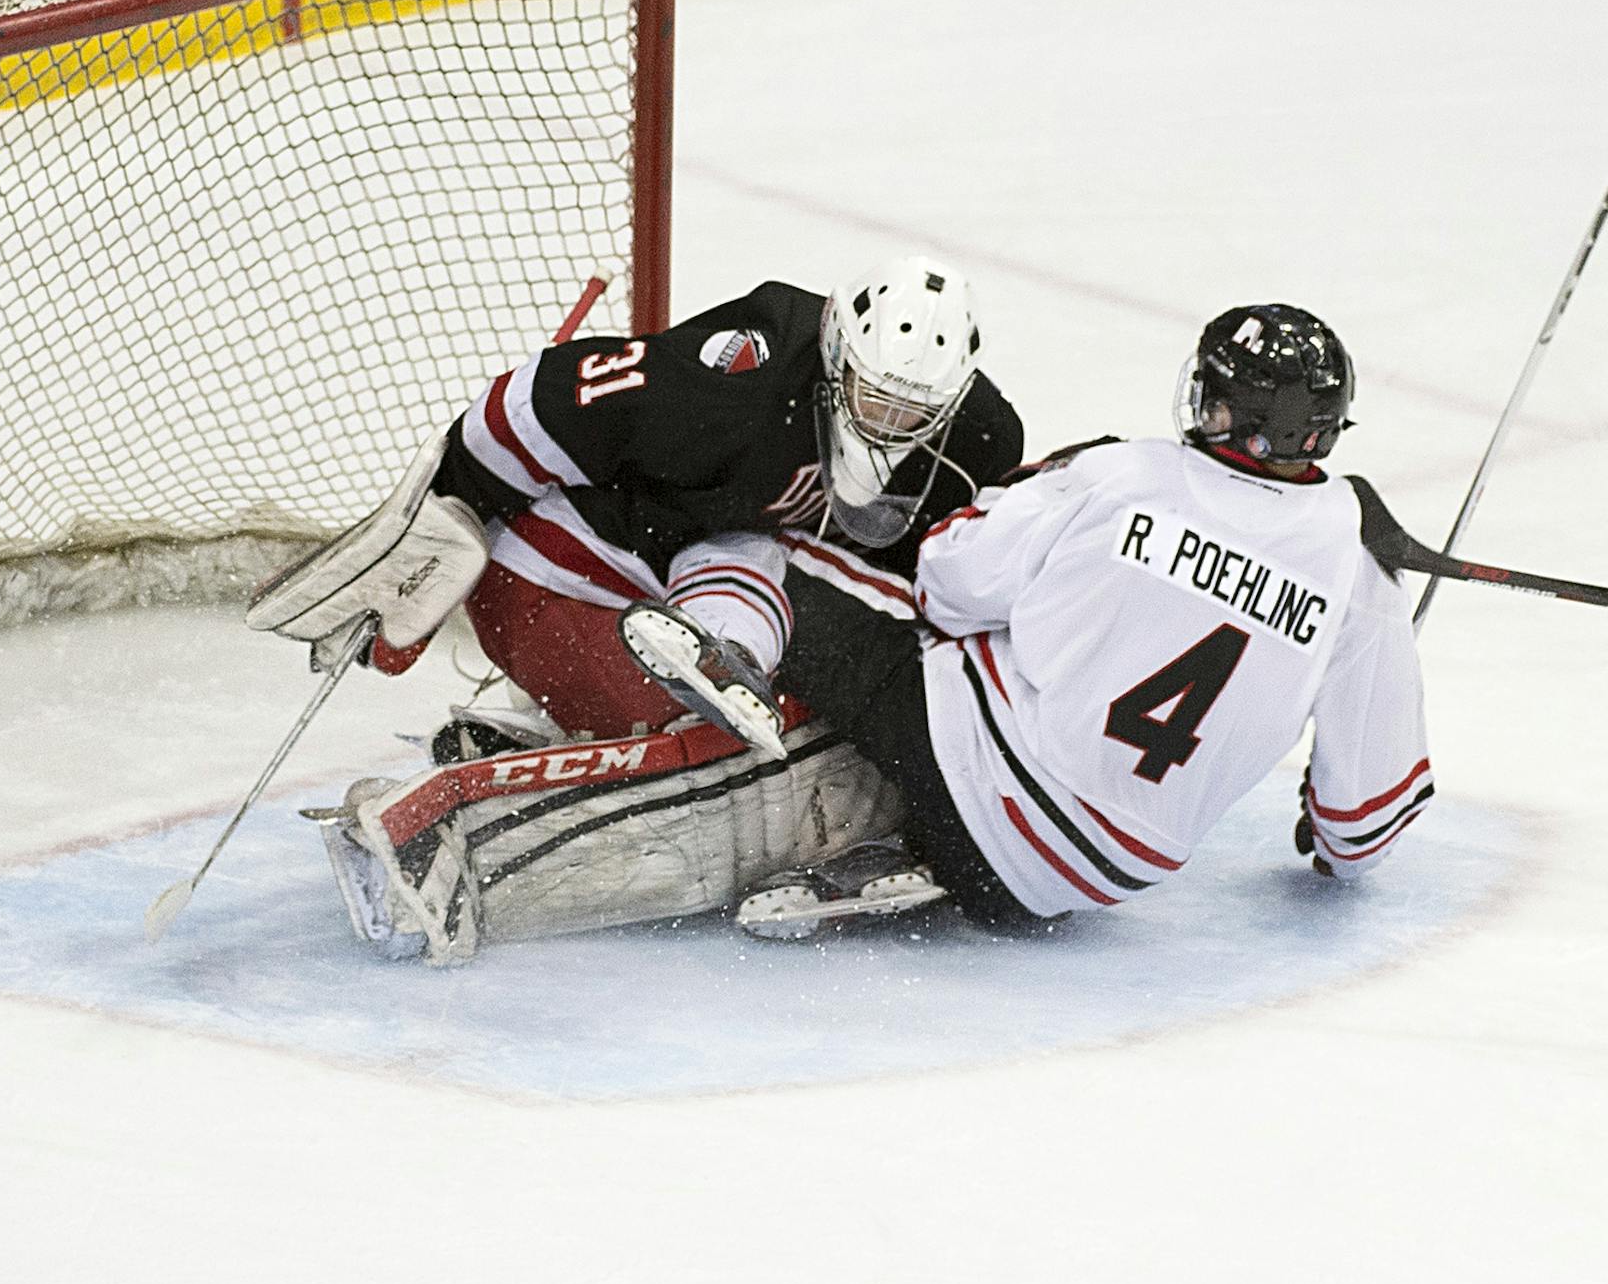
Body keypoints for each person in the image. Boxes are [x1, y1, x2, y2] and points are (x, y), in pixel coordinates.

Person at [305, 303, 1436, 964]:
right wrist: (1327, 833)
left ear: (1208, 399)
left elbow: (950, 579)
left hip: (970, 780)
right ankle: (866, 828)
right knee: (881, 691)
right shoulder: (1364, 573)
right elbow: (1364, 821)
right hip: (1084, 890)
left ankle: (721, 638)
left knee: (776, 546)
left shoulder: (1120, 474)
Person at [247, 257, 1024, 757]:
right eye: (873, 396)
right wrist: (447, 513)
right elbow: (541, 402)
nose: (888, 423)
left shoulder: (980, 440)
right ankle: (608, 730)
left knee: (761, 561)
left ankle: (719, 665)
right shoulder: (740, 381)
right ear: (834, 360)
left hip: (687, 566)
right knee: (716, 696)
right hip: (558, 570)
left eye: (914, 410)